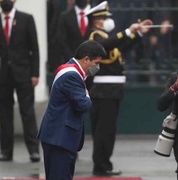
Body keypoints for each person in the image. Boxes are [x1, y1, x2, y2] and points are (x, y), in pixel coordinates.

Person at [84, 1, 153, 176]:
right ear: (96, 21)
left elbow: (121, 45)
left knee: (107, 130)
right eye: (104, 17)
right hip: (103, 91)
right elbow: (108, 45)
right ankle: (101, 165)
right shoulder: (94, 36)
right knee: (104, 131)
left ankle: (103, 163)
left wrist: (137, 33)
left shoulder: (105, 37)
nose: (108, 20)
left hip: (111, 90)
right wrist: (129, 30)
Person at [37, 40, 106, 179]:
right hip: (60, 138)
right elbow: (84, 105)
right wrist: (87, 95)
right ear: (86, 59)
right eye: (96, 62)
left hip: (58, 136)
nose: (97, 67)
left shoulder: (68, 68)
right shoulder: (72, 75)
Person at [0, 0, 40, 162]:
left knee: (27, 112)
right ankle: (6, 151)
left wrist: (35, 74)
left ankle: (33, 150)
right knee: (4, 114)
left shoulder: (26, 19)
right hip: (3, 75)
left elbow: (34, 48)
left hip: (24, 73)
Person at [54, 0, 91, 71]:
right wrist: (74, 61)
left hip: (94, 67)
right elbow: (61, 41)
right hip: (71, 66)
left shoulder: (97, 16)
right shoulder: (64, 17)